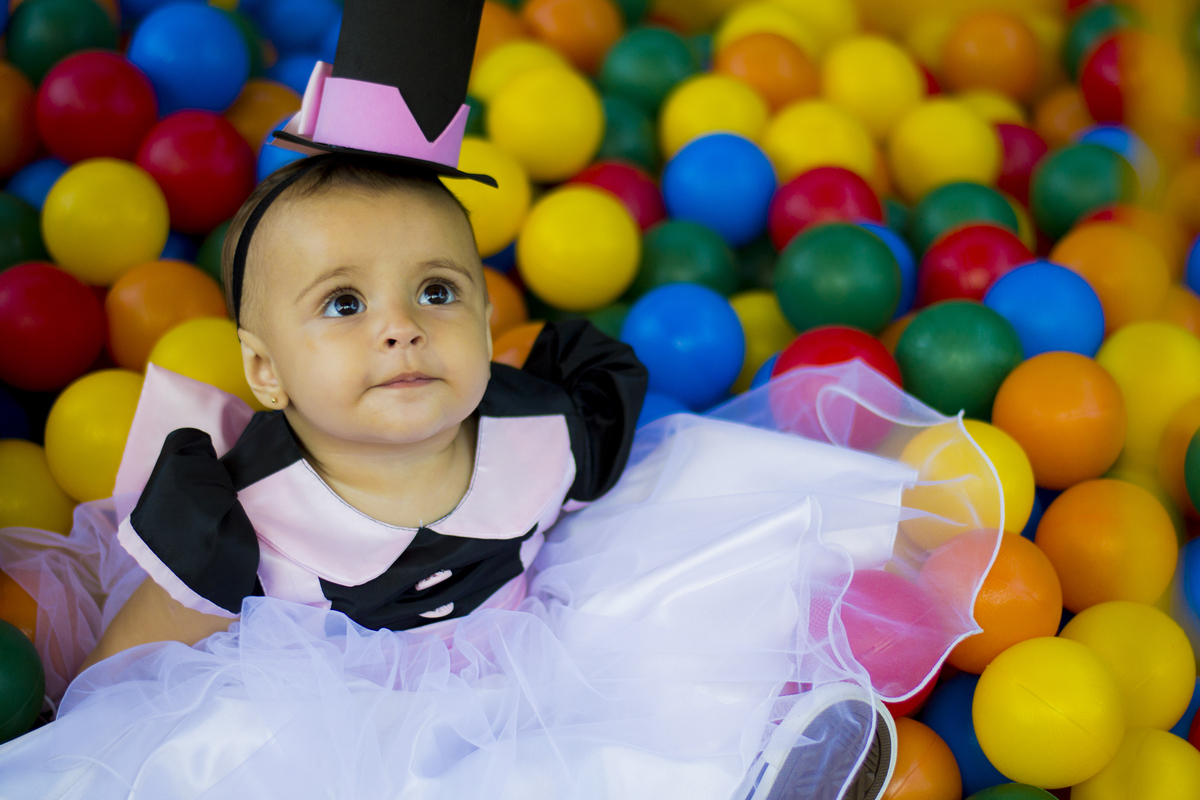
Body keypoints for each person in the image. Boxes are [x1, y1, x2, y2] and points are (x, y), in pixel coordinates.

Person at [0, 2, 1002, 797]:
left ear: (486, 328)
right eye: (344, 304)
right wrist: (85, 739)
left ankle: (748, 755)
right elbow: (135, 667)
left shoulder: (542, 427)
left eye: (437, 292)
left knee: (666, 568)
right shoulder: (239, 508)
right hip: (335, 723)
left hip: (536, 661)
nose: (401, 327)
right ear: (266, 372)